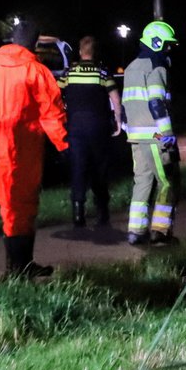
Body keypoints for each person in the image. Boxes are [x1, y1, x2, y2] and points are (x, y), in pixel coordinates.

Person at [0, 18, 70, 277]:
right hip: (27, 142)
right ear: (34, 42)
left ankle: (19, 265)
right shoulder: (36, 71)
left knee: (9, 203)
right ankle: (19, 267)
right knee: (24, 202)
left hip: (0, 141)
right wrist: (63, 144)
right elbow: (51, 112)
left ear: (12, 39)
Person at [123, 20, 179, 245]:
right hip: (155, 136)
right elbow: (156, 103)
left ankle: (136, 232)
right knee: (168, 182)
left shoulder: (130, 67)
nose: (168, 49)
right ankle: (160, 232)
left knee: (142, 182)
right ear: (157, 43)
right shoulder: (157, 67)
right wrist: (167, 134)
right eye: (166, 45)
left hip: (136, 136)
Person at [61, 35, 122, 228]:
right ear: (95, 53)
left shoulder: (69, 72)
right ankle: (102, 212)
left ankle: (78, 213)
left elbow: (55, 94)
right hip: (99, 128)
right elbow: (115, 99)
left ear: (80, 52)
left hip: (75, 128)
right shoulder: (102, 73)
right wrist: (118, 121)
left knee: (78, 168)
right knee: (99, 169)